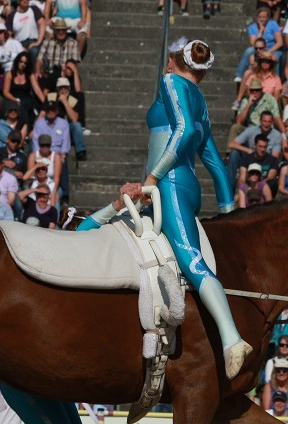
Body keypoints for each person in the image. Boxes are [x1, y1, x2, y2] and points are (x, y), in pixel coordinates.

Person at [86, 40, 251, 378]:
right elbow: (216, 164)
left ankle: (232, 338)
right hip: (186, 187)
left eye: (169, 59)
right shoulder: (201, 101)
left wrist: (152, 177)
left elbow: (183, 130)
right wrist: (229, 212)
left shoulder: (171, 81)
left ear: (174, 60)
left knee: (191, 259)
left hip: (169, 185)